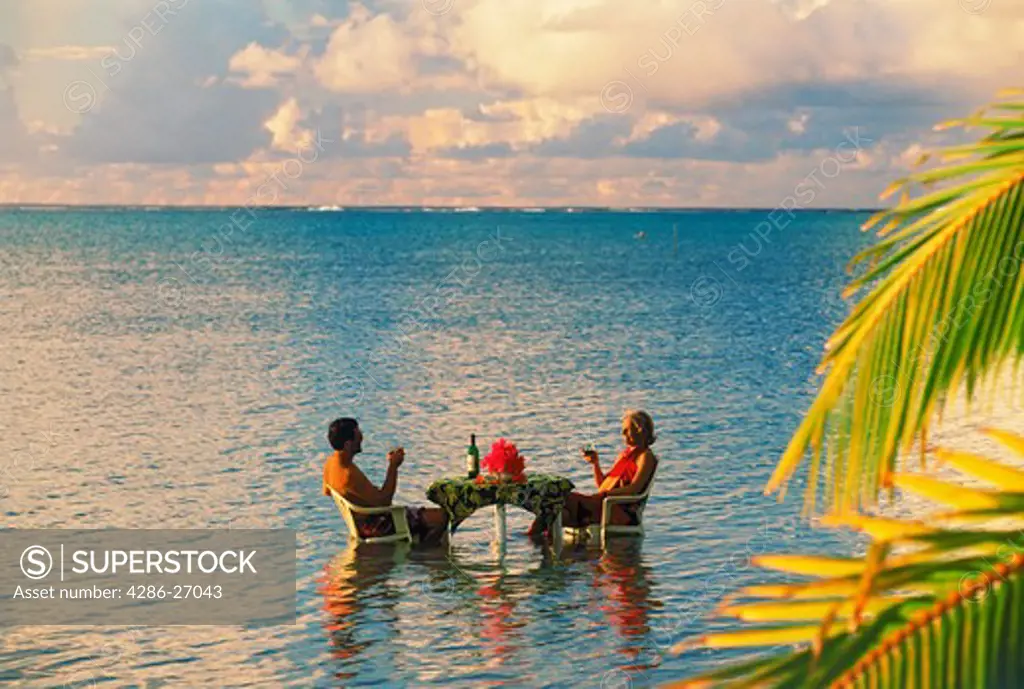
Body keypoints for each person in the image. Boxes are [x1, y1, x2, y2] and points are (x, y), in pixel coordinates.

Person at [529, 410, 658, 536]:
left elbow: (635, 489)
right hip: (602, 503)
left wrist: (604, 495)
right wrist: (596, 464)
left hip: (618, 510)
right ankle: (541, 545)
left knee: (561, 498)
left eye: (626, 430)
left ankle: (532, 544)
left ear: (640, 430)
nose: (622, 433)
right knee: (558, 513)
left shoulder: (645, 456)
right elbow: (603, 484)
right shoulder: (624, 455)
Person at [322, 417, 448, 545]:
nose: (362, 438)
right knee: (443, 517)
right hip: (377, 525)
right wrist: (393, 466)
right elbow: (385, 501)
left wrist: (363, 497)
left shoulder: (331, 463)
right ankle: (423, 556)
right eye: (358, 435)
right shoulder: (348, 474)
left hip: (362, 521)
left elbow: (327, 492)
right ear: (348, 444)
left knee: (425, 515)